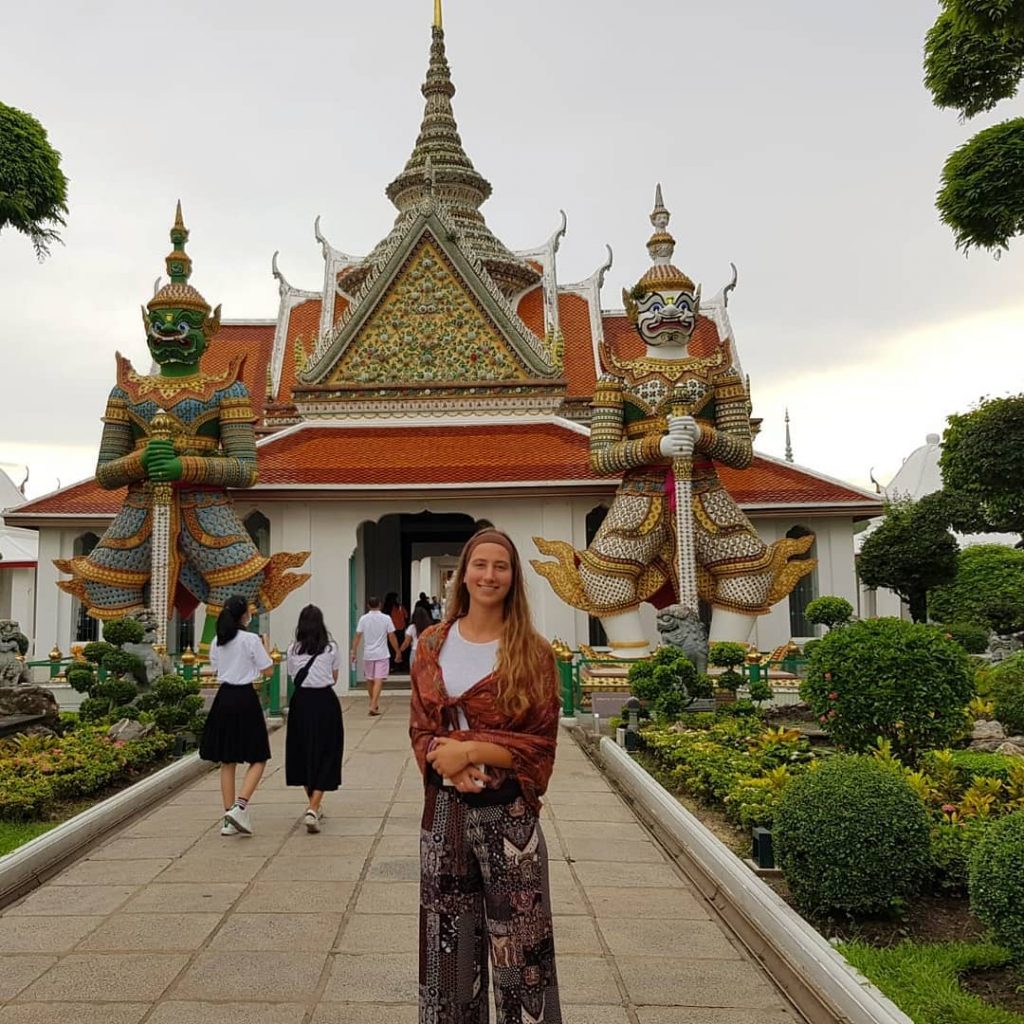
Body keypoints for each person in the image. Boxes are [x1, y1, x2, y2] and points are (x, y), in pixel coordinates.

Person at [410, 528, 563, 1023]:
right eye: (480, 565)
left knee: (520, 953)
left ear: (513, 577)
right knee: (446, 953)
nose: (489, 575)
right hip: (446, 814)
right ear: (463, 574)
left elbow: (540, 742)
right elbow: (419, 728)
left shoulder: (533, 652)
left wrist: (472, 749)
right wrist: (442, 755)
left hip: (509, 818)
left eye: (501, 566)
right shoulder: (433, 643)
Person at [199, 594, 274, 836]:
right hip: (244, 697)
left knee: (227, 760)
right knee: (259, 755)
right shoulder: (251, 639)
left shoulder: (217, 641)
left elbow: (215, 667)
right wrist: (266, 647)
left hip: (224, 698)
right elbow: (268, 669)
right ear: (244, 615)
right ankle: (240, 806)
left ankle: (228, 818)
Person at [285, 604, 343, 834]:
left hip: (301, 703)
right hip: (325, 702)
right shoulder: (330, 648)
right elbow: (335, 677)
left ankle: (313, 804)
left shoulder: (292, 649)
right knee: (328, 751)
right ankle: (313, 806)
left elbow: (292, 676)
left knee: (303, 751)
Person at [351, 596, 398, 716]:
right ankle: (373, 704)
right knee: (378, 679)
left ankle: (373, 703)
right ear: (380, 605)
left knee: (369, 679)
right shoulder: (386, 618)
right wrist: (397, 650)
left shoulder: (363, 619)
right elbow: (391, 636)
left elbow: (357, 636)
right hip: (382, 653)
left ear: (368, 605)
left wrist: (353, 651)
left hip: (368, 653)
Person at [399, 604, 433, 670]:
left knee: (414, 674)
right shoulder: (430, 628)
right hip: (427, 652)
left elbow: (406, 643)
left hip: (415, 651)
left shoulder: (412, 627)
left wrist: (399, 651)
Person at [383, 591, 408, 671]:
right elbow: (406, 616)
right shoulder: (397, 607)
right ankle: (398, 665)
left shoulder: (387, 608)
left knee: (392, 647)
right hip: (397, 630)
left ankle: (393, 665)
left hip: (394, 630)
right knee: (399, 647)